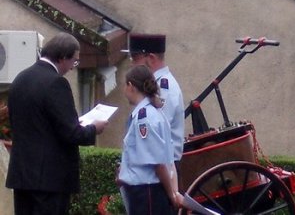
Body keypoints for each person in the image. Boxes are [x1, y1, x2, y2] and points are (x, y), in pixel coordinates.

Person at [6, 32, 108, 215]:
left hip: (22, 176)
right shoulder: (56, 83)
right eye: (74, 61)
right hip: (49, 180)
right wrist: (94, 129)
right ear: (62, 57)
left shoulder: (20, 79)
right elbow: (71, 133)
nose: (72, 68)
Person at [126, 33, 185, 189]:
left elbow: (155, 137)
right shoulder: (156, 85)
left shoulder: (163, 88)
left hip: (162, 172)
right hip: (155, 169)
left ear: (151, 58)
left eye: (135, 58)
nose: (131, 64)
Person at [118, 65, 178, 214]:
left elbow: (158, 164)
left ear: (130, 86)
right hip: (149, 191)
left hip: (147, 192)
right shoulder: (156, 113)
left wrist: (171, 194)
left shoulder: (144, 119)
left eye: (125, 86)